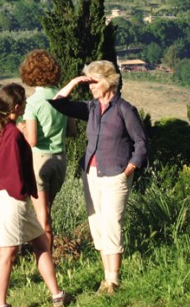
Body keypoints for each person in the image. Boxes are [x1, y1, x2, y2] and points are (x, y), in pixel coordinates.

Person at [49, 60, 147, 294]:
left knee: (112, 224)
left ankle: (113, 280)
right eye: (89, 81)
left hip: (116, 174)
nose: (91, 86)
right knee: (98, 226)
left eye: (95, 82)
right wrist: (74, 82)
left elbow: (141, 143)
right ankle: (106, 279)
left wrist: (129, 170)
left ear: (109, 81)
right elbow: (59, 104)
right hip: (91, 173)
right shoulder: (91, 108)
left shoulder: (125, 109)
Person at [0, 83, 71, 307]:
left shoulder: (1, 128)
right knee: (8, 252)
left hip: (11, 197)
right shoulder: (11, 133)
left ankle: (57, 294)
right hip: (11, 198)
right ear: (16, 106)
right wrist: (22, 192)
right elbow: (11, 169)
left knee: (41, 242)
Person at [18, 49, 68, 253]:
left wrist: (20, 128)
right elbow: (72, 130)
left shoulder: (32, 103)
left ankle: (46, 258)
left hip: (39, 159)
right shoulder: (61, 99)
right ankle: (48, 254)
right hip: (60, 159)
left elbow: (32, 140)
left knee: (42, 217)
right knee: (47, 211)